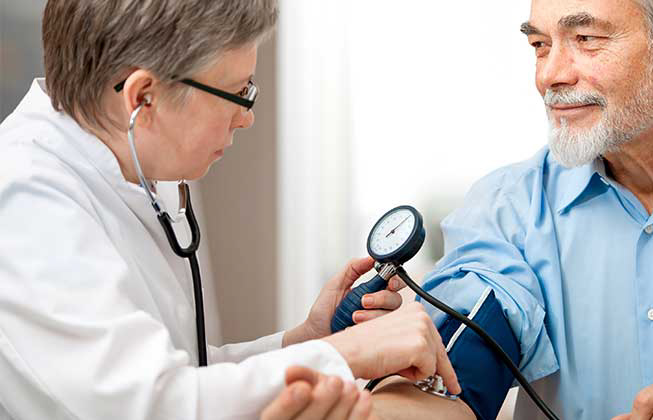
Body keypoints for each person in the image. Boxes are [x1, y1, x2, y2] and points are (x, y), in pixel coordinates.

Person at [367, 0, 653, 419]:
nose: (551, 75)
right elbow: (454, 375)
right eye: (539, 44)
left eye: (586, 40)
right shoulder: (506, 210)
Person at [0, 1, 459, 419]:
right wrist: (350, 354)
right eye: (239, 92)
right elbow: (152, 403)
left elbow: (183, 374)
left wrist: (306, 341)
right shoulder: (27, 198)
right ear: (142, 97)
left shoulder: (117, 176)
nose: (247, 116)